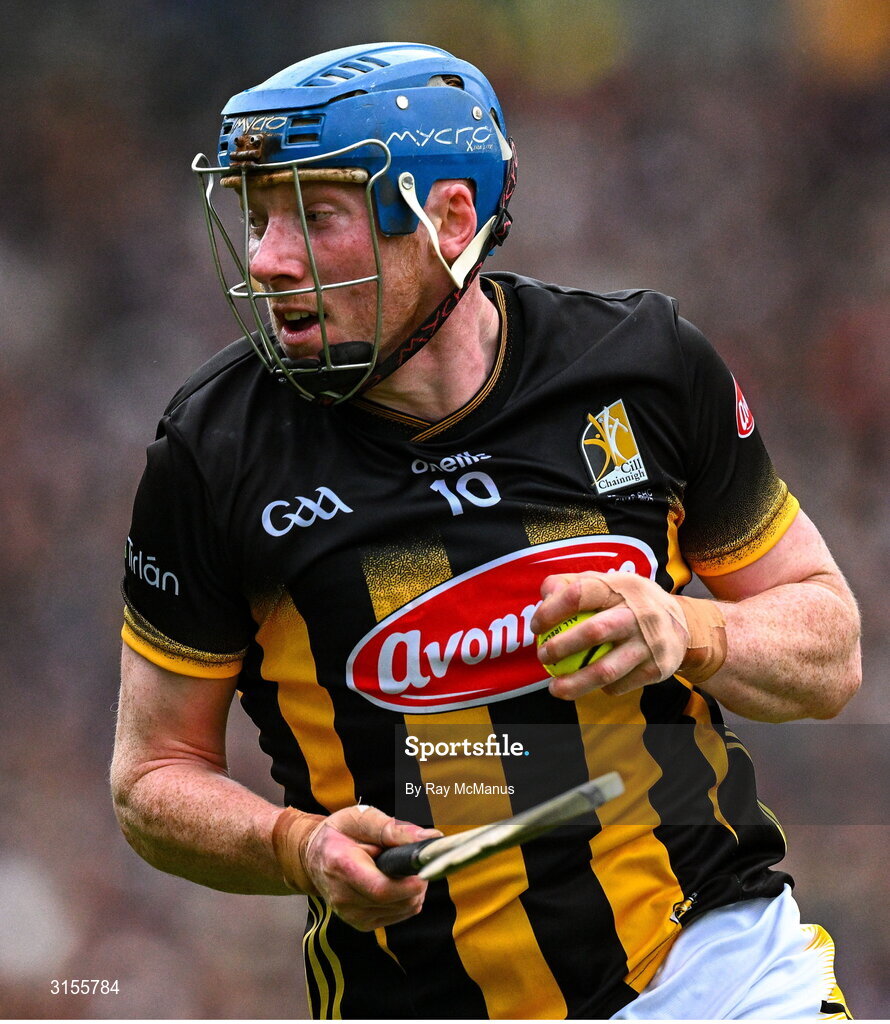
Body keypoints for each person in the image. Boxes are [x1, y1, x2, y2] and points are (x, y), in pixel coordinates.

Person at [111, 42, 861, 1020]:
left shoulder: (641, 367)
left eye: (314, 215)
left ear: (447, 219)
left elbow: (828, 644)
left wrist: (691, 630)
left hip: (714, 969)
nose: (266, 259)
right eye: (256, 216)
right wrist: (290, 845)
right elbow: (152, 777)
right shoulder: (213, 450)